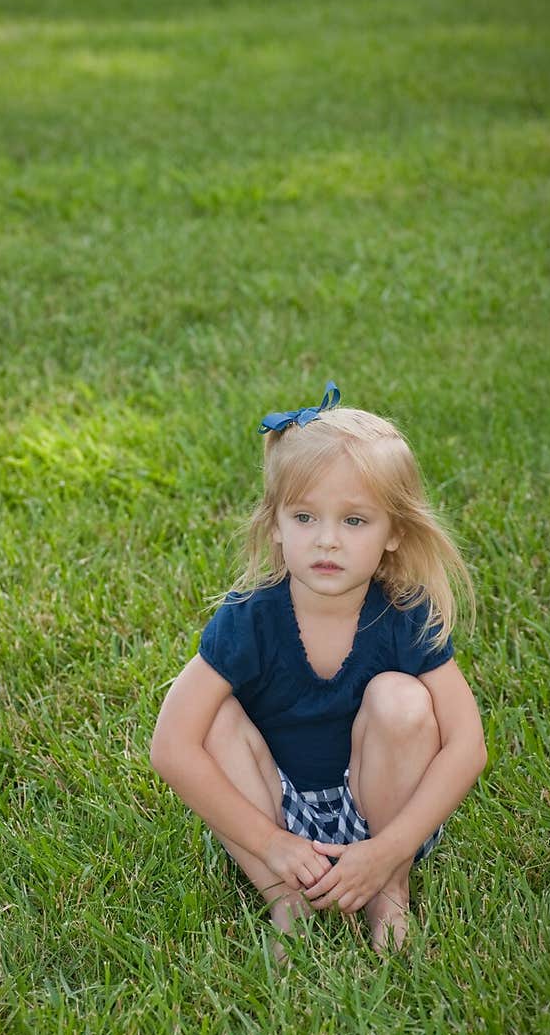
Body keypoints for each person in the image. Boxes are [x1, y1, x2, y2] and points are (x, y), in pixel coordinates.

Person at [150, 382, 487, 958]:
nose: (326, 540)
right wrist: (271, 843)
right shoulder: (247, 619)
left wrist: (390, 849)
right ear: (276, 524)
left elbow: (468, 745)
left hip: (379, 804)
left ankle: (388, 891)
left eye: (355, 521)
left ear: (393, 533)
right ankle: (286, 896)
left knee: (401, 698)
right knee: (212, 717)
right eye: (305, 516)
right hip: (275, 811)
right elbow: (171, 746)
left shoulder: (405, 613)